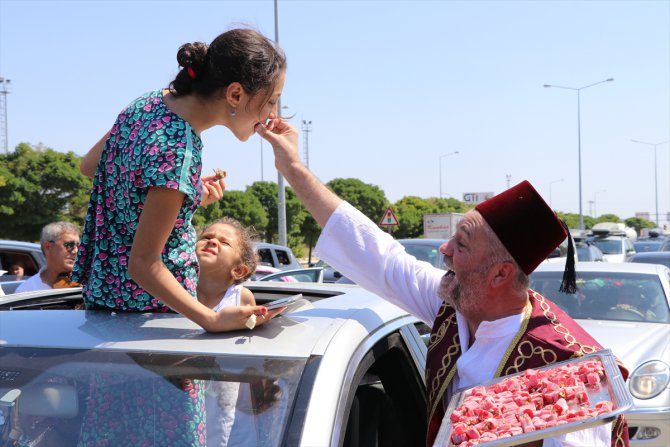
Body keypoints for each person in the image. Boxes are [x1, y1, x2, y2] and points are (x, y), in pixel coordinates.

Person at [257, 121, 629, 447]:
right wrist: (293, 168)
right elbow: (378, 256)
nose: (444, 248)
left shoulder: (569, 367)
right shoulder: (452, 303)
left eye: (462, 244)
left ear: (500, 274)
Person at [72, 28, 288, 333]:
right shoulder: (180, 153)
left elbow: (90, 165)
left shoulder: (145, 105)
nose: (273, 115)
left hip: (103, 314)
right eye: (272, 101)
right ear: (235, 94)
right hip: (151, 328)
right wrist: (210, 319)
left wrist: (181, 191)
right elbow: (144, 263)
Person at [16, 221, 80, 293]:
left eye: (78, 246)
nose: (76, 251)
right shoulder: (26, 290)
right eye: (70, 245)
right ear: (48, 247)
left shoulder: (89, 283)